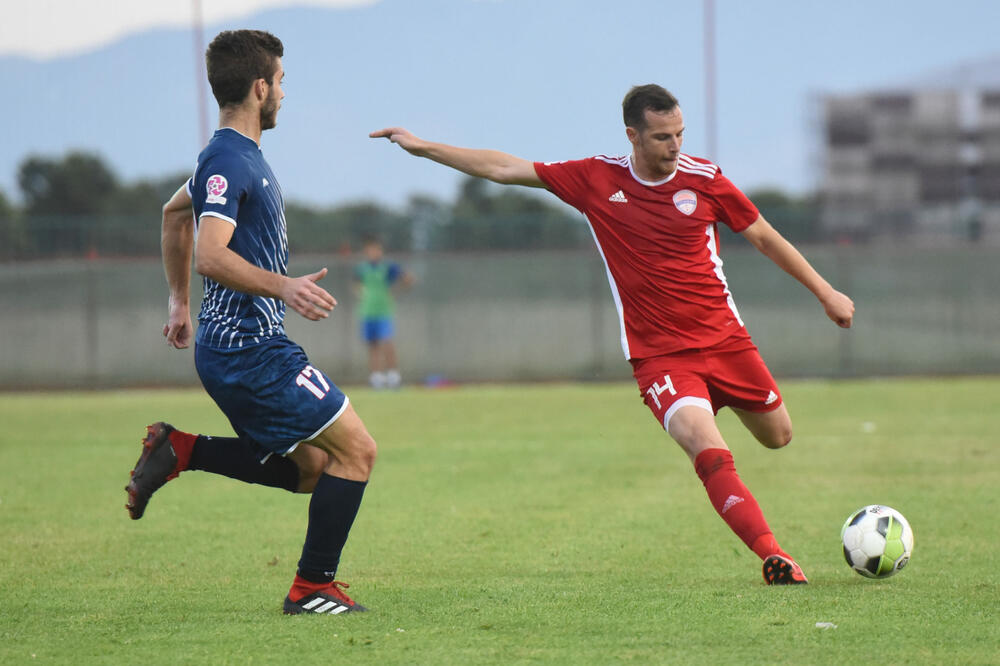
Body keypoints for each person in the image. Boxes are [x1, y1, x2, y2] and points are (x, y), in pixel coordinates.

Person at [371, 84, 855, 585]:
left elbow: (765, 237)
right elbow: (504, 168)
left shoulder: (706, 180)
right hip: (661, 357)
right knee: (706, 448)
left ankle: (730, 425)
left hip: (727, 342)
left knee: (779, 436)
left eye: (680, 134)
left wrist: (825, 292)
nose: (675, 146)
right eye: (664, 137)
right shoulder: (595, 179)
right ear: (633, 135)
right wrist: (424, 146)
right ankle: (773, 556)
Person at [125, 29, 375, 614]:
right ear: (260, 88)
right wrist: (282, 285)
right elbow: (211, 252)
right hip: (249, 351)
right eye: (281, 82)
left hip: (241, 348)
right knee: (357, 453)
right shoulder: (230, 158)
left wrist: (180, 303)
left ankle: (182, 449)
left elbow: (173, 213)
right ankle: (312, 587)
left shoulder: (231, 159)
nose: (285, 93)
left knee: (314, 468)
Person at [353, 236, 414, 389]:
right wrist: (362, 294)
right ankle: (376, 377)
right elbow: (356, 284)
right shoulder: (363, 268)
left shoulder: (388, 267)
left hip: (383, 311)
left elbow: (408, 279)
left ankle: (393, 375)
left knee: (387, 343)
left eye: (375, 250)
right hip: (368, 311)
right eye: (370, 250)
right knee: (372, 345)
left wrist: (394, 291)